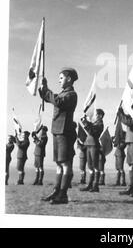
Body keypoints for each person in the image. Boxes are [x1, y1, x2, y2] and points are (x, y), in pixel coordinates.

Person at [39, 67, 78, 204]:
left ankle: (63, 195)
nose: (59, 80)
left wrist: (47, 90)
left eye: (61, 78)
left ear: (69, 79)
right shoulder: (63, 93)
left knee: (65, 163)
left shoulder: (71, 94)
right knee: (59, 163)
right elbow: (50, 98)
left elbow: (58, 102)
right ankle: (57, 191)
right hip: (57, 131)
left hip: (64, 132)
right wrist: (43, 88)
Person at [80, 109, 104, 193]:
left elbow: (92, 131)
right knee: (90, 165)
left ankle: (95, 185)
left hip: (94, 145)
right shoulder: (94, 123)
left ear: (100, 115)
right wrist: (84, 120)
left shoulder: (100, 124)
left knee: (95, 165)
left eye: (96, 114)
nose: (94, 115)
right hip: (89, 144)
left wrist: (86, 123)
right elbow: (89, 127)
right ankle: (90, 184)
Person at [112, 119, 126, 186]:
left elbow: (120, 147)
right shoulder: (119, 140)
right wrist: (114, 140)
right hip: (117, 154)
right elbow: (116, 145)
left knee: (121, 168)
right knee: (118, 169)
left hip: (120, 154)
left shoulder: (124, 141)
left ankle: (123, 182)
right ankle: (117, 181)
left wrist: (117, 141)